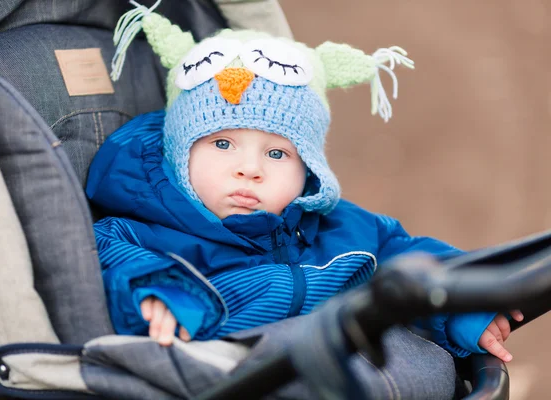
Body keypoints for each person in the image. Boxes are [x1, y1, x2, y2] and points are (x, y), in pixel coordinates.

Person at [86, 5, 522, 367]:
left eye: (277, 154)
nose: (249, 169)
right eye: (222, 143)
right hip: (234, 371)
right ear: (180, 152)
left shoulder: (337, 228)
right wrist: (161, 291)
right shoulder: (145, 227)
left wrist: (461, 307)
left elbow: (407, 261)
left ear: (308, 169)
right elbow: (107, 253)